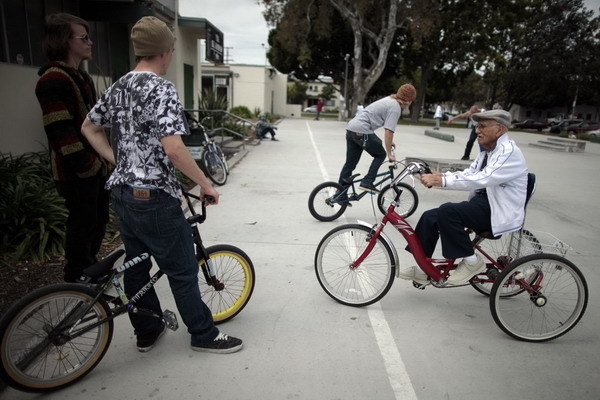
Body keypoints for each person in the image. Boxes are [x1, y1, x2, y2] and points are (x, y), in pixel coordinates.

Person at [81, 16, 242, 354]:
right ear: (166, 52)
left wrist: (121, 163)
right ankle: (203, 334)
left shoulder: (119, 86)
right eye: (171, 50)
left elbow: (89, 128)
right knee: (182, 269)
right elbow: (173, 148)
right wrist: (205, 185)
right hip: (154, 198)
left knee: (137, 264)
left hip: (123, 194)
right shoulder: (161, 88)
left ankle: (148, 330)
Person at [400, 109, 528, 285]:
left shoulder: (509, 152)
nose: (477, 131)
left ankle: (472, 262)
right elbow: (469, 173)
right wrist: (443, 176)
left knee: (448, 211)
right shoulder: (487, 153)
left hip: (498, 209)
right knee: (430, 216)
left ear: (499, 129)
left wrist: (442, 180)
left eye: (482, 126)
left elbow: (483, 178)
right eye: (476, 126)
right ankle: (425, 269)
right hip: (483, 204)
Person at [35, 13, 110, 283]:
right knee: (81, 224)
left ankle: (90, 270)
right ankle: (76, 277)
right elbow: (59, 130)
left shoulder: (81, 77)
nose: (90, 42)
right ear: (64, 41)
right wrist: (88, 165)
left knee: (98, 220)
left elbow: (95, 121)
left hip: (95, 166)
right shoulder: (53, 80)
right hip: (75, 172)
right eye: (84, 37)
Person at [338, 83, 417, 193]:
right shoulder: (395, 108)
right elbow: (389, 131)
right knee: (380, 154)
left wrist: (390, 142)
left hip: (352, 128)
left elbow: (383, 127)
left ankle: (340, 193)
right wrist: (389, 153)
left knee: (350, 164)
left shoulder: (389, 100)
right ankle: (367, 181)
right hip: (361, 130)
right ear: (408, 99)